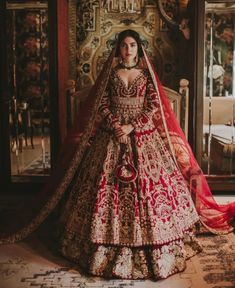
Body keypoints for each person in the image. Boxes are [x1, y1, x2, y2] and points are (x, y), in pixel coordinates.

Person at [0, 29, 235, 280]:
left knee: (150, 188)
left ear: (139, 48)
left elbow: (153, 104)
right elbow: (101, 104)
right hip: (111, 136)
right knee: (102, 184)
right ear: (118, 48)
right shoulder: (111, 75)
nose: (128, 50)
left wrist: (131, 127)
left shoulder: (146, 76)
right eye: (124, 45)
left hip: (142, 135)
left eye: (133, 45)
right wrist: (115, 126)